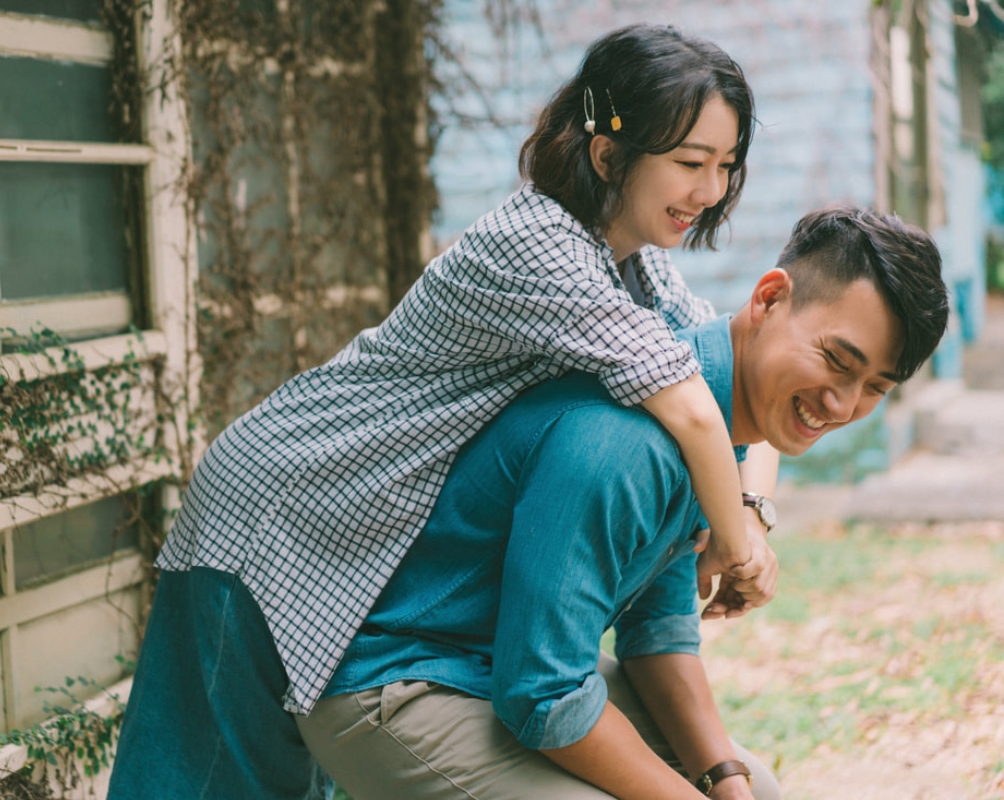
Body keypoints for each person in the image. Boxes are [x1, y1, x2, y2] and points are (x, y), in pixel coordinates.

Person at [109, 24, 782, 800]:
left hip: (355, 531)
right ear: (608, 155)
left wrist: (752, 509)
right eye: (690, 163)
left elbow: (729, 378)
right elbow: (698, 412)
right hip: (280, 511)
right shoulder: (537, 246)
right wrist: (736, 544)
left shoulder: (637, 270)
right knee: (219, 784)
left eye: (726, 167)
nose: (709, 193)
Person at [299, 205, 949, 799]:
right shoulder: (628, 443)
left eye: (873, 388)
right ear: (770, 298)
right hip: (396, 686)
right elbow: (546, 696)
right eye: (837, 361)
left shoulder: (713, 430)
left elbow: (657, 635)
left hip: (499, 663)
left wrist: (723, 778)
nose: (842, 404)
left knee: (761, 789)